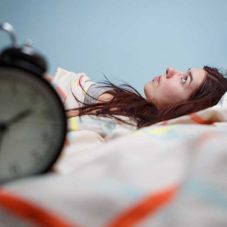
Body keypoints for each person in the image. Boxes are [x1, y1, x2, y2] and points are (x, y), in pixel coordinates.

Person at [66, 66, 227, 128]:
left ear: (189, 107)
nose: (170, 69)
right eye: (184, 71)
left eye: (184, 79)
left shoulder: (127, 120)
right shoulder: (127, 106)